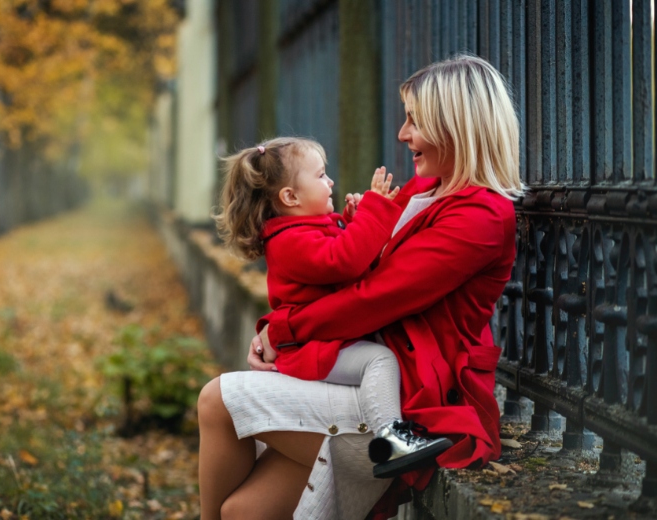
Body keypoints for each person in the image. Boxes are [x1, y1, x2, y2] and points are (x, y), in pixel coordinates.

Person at [198, 54, 524, 520]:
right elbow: (349, 263)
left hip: (411, 401)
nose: (402, 134)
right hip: (363, 376)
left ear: (455, 125)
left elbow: (376, 298)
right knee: (243, 512)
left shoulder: (481, 215)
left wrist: (284, 330)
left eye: (415, 120)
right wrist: (278, 326)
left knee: (217, 401)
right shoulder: (420, 191)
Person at [213, 136, 452, 478]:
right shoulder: (289, 240)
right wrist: (374, 210)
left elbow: (342, 263)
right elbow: (345, 263)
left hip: (323, 337)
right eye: (322, 176)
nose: (331, 182)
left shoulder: (304, 228)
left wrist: (353, 222)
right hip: (311, 346)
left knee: (378, 359)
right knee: (379, 360)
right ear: (290, 197)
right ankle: (390, 442)